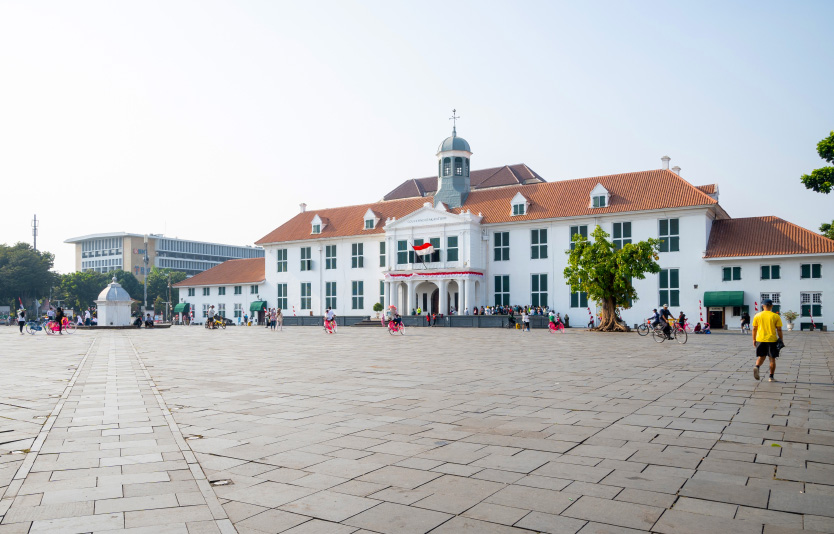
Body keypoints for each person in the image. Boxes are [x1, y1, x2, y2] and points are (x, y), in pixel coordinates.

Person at [752, 298, 784, 382]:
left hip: (760, 339)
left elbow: (754, 329)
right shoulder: (775, 316)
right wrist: (781, 339)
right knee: (772, 359)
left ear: (763, 306)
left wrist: (754, 339)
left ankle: (757, 366)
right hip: (772, 340)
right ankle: (771, 377)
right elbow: (779, 329)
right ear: (772, 306)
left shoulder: (757, 315)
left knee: (761, 357)